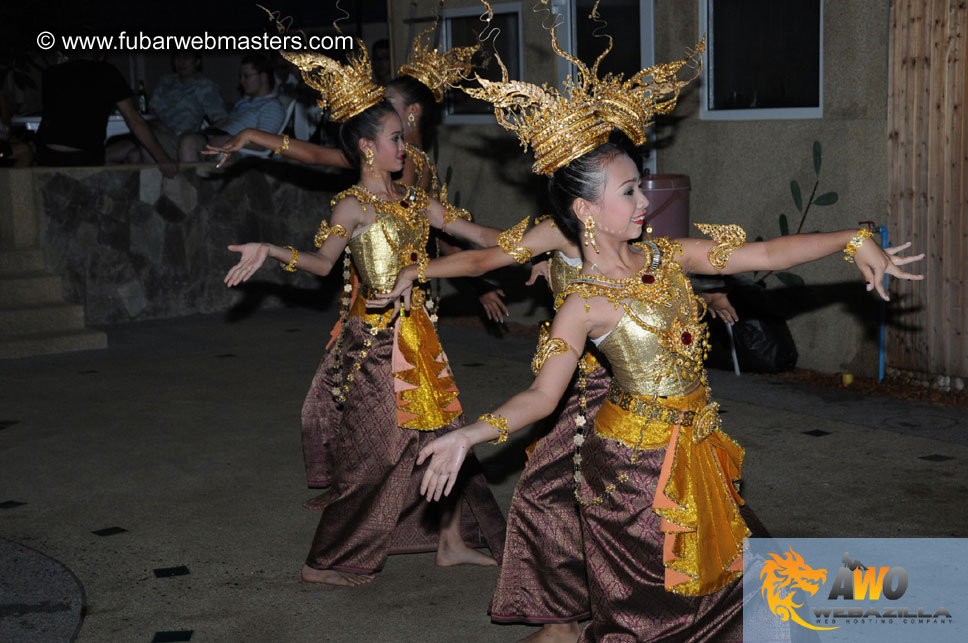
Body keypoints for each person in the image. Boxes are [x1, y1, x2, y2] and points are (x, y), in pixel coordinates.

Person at [397, 23, 924, 641]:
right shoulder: (584, 305)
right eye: (629, 191)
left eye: (640, 184)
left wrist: (852, 238)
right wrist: (468, 436)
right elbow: (542, 398)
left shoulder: (666, 256)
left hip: (695, 447)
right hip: (632, 473)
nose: (645, 199)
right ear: (587, 212)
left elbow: (763, 256)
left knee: (745, 586)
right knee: (655, 613)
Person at [222, 46, 507, 586]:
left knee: (443, 437)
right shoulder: (352, 206)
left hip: (419, 339)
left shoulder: (413, 201)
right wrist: (271, 249)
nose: (406, 146)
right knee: (371, 459)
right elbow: (322, 262)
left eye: (403, 135)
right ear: (367, 147)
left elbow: (476, 238)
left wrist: (541, 244)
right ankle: (324, 561)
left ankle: (449, 541)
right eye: (396, 138)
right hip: (373, 345)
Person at [34, 48, 177, 177]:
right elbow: (133, 118)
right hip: (84, 157)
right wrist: (162, 157)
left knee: (127, 151)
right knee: (130, 156)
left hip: (47, 155)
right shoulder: (107, 72)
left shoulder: (51, 73)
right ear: (102, 56)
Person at [106, 50, 226, 164]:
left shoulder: (204, 86)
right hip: (155, 130)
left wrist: (200, 134)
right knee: (120, 153)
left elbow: (222, 119)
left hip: (180, 137)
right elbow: (151, 109)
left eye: (186, 57)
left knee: (144, 147)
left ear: (197, 62)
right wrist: (158, 124)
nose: (181, 62)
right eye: (178, 57)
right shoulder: (166, 82)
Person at [178, 53, 286, 162]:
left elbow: (265, 144)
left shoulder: (272, 106)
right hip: (217, 138)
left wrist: (230, 140)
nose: (241, 81)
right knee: (185, 137)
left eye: (246, 76)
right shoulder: (244, 101)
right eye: (241, 76)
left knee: (188, 142)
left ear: (263, 77)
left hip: (234, 150)